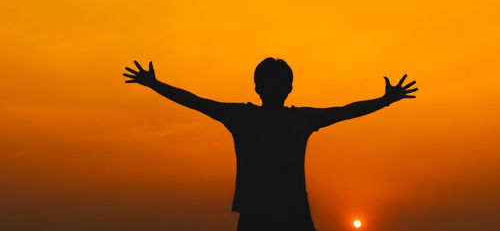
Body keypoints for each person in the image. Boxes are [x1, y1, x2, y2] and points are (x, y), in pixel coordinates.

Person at [123, 57, 418, 231]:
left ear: (288, 87)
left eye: (280, 82)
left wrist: (385, 100)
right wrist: (155, 84)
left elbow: (346, 111)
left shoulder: (297, 120)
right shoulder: (242, 116)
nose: (276, 87)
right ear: (258, 86)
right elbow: (195, 101)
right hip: (257, 216)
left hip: (293, 216)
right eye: (271, 81)